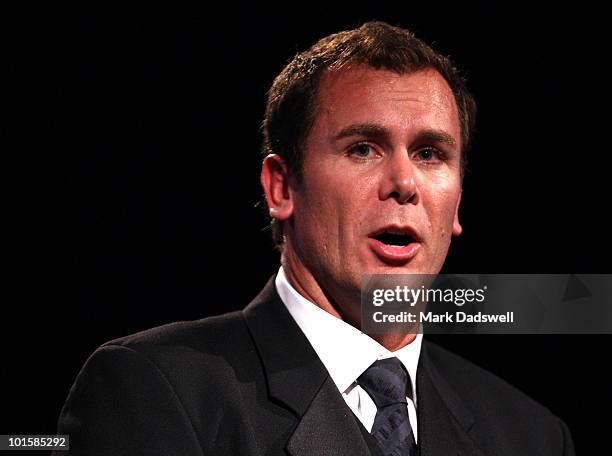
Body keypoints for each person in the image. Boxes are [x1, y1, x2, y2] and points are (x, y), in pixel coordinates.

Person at [55, 21, 575, 455]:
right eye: (363, 149)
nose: (405, 183)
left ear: (456, 203)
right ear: (282, 187)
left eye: (430, 154)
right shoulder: (155, 392)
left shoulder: (531, 436)